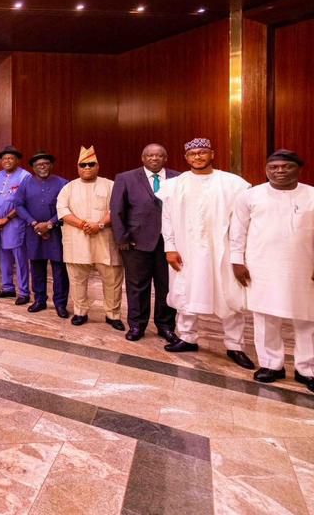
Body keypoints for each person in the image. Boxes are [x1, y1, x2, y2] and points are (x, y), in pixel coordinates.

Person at [160, 138, 253, 369]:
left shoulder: (232, 183)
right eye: (193, 154)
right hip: (186, 249)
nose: (198, 157)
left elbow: (241, 222)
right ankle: (187, 337)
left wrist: (238, 255)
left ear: (212, 154)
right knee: (185, 292)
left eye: (202, 152)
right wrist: (169, 247)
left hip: (222, 250)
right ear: (186, 158)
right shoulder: (174, 185)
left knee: (228, 296)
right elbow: (167, 219)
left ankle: (235, 346)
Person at [231, 150, 314, 386]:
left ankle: (307, 369)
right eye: (274, 167)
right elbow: (238, 231)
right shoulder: (250, 196)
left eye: (286, 167)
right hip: (261, 266)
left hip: (304, 267)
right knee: (266, 317)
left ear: (299, 169)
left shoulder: (312, 195)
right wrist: (237, 261)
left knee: (308, 318)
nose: (279, 171)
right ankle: (270, 365)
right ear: (266, 170)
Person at [111, 144, 180, 342]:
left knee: (166, 286)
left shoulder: (179, 178)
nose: (154, 158)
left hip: (169, 244)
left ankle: (165, 326)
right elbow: (117, 210)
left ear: (165, 158)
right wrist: (122, 238)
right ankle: (136, 325)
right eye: (150, 155)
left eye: (159, 155)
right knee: (137, 286)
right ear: (143, 158)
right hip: (135, 243)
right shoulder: (126, 178)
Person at [58, 147, 124, 329]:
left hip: (105, 241)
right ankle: (80, 312)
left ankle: (113, 315)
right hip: (77, 242)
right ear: (77, 167)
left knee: (112, 281)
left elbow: (117, 209)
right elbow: (62, 211)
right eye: (83, 165)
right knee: (77, 280)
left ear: (98, 166)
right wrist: (82, 224)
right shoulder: (68, 187)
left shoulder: (110, 185)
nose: (87, 167)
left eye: (91, 164)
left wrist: (99, 224)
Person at [14, 151, 69, 316]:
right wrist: (33, 223)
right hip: (33, 231)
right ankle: (39, 300)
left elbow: (67, 207)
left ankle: (60, 303)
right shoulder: (25, 183)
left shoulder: (63, 183)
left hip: (57, 232)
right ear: (33, 167)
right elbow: (18, 205)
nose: (42, 167)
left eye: (45, 164)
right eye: (38, 165)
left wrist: (50, 223)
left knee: (59, 269)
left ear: (51, 165)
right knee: (37, 267)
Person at [0, 146, 31, 300]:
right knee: (3, 258)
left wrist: (6, 219)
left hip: (15, 224)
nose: (7, 161)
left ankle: (24, 292)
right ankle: (7, 288)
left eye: (11, 158)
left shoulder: (25, 176)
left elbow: (25, 202)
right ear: (1, 161)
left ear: (17, 160)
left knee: (20, 259)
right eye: (4, 158)